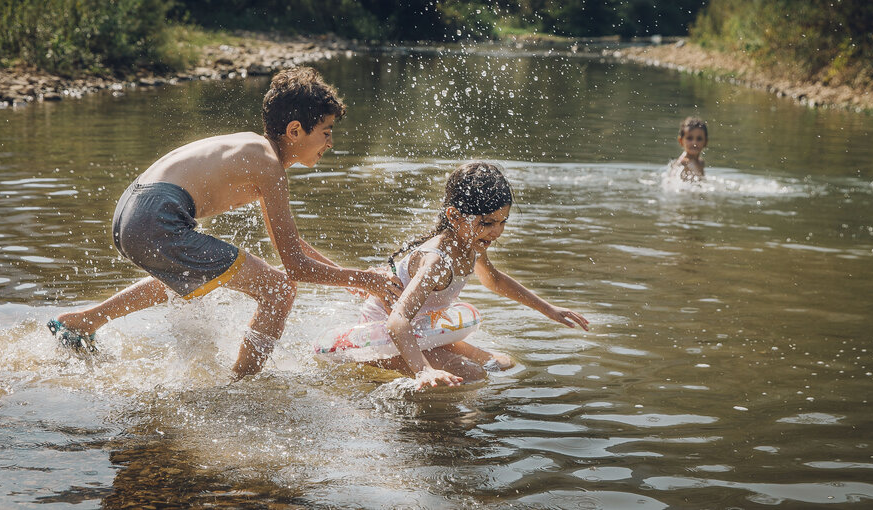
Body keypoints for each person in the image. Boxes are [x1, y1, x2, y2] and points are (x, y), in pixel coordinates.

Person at [46, 67, 401, 380]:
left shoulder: (256, 154)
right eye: (326, 131)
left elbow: (291, 244)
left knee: (193, 276)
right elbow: (293, 266)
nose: (330, 142)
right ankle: (240, 386)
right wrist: (368, 279)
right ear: (295, 130)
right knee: (278, 290)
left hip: (132, 213)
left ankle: (86, 320)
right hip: (156, 216)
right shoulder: (268, 166)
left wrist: (343, 278)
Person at [357, 162, 589, 389]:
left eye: (502, 222)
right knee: (471, 374)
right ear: (455, 215)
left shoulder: (472, 245)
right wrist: (424, 370)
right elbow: (396, 321)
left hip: (421, 330)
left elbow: (494, 280)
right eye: (487, 222)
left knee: (503, 364)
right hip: (384, 337)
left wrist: (549, 309)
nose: (496, 232)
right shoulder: (437, 261)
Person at [672, 116, 708, 182]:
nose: (694, 143)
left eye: (699, 139)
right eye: (689, 138)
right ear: (681, 141)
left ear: (705, 142)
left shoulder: (701, 162)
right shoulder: (683, 163)